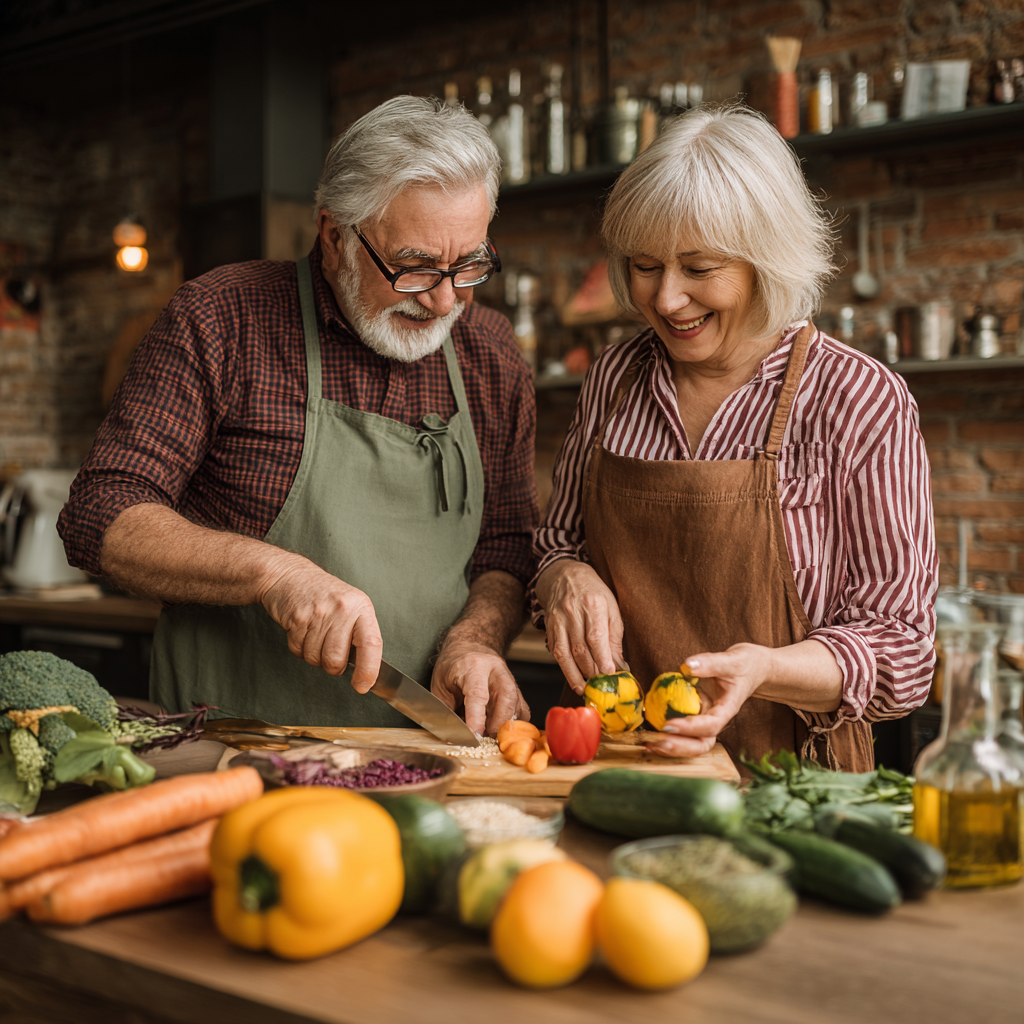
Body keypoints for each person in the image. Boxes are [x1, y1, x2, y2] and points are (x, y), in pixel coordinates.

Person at [59, 96, 539, 735]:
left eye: (470, 264)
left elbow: (506, 548)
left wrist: (476, 640)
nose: (446, 299)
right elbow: (102, 512)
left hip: (426, 751)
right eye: (416, 267)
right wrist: (272, 572)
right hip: (231, 746)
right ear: (336, 236)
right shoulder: (222, 319)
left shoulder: (492, 353)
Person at [532, 104, 937, 772]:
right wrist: (565, 578)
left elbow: (903, 653)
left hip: (796, 789)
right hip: (625, 771)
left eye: (699, 268)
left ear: (765, 260)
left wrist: (768, 669)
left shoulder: (858, 399)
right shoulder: (614, 379)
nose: (665, 299)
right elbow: (557, 544)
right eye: (644, 265)